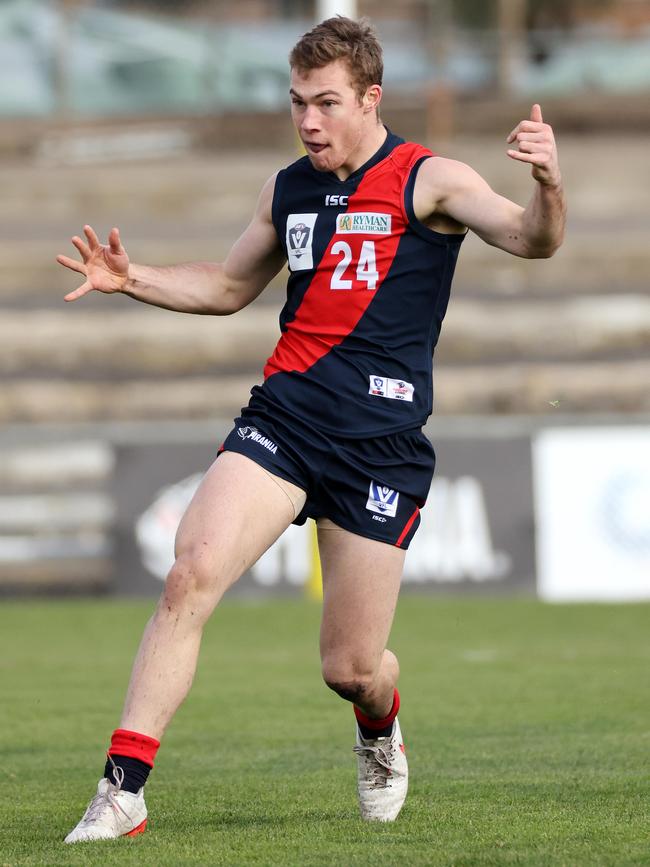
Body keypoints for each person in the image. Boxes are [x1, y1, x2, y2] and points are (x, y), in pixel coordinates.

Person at [57, 16, 565, 842]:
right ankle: (123, 791)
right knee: (190, 574)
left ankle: (381, 724)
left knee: (351, 668)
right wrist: (132, 276)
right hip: (286, 419)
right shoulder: (287, 187)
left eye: (326, 103)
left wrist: (548, 183)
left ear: (372, 98)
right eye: (297, 102)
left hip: (381, 447)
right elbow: (227, 287)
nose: (308, 121)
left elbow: (533, 240)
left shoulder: (428, 179)